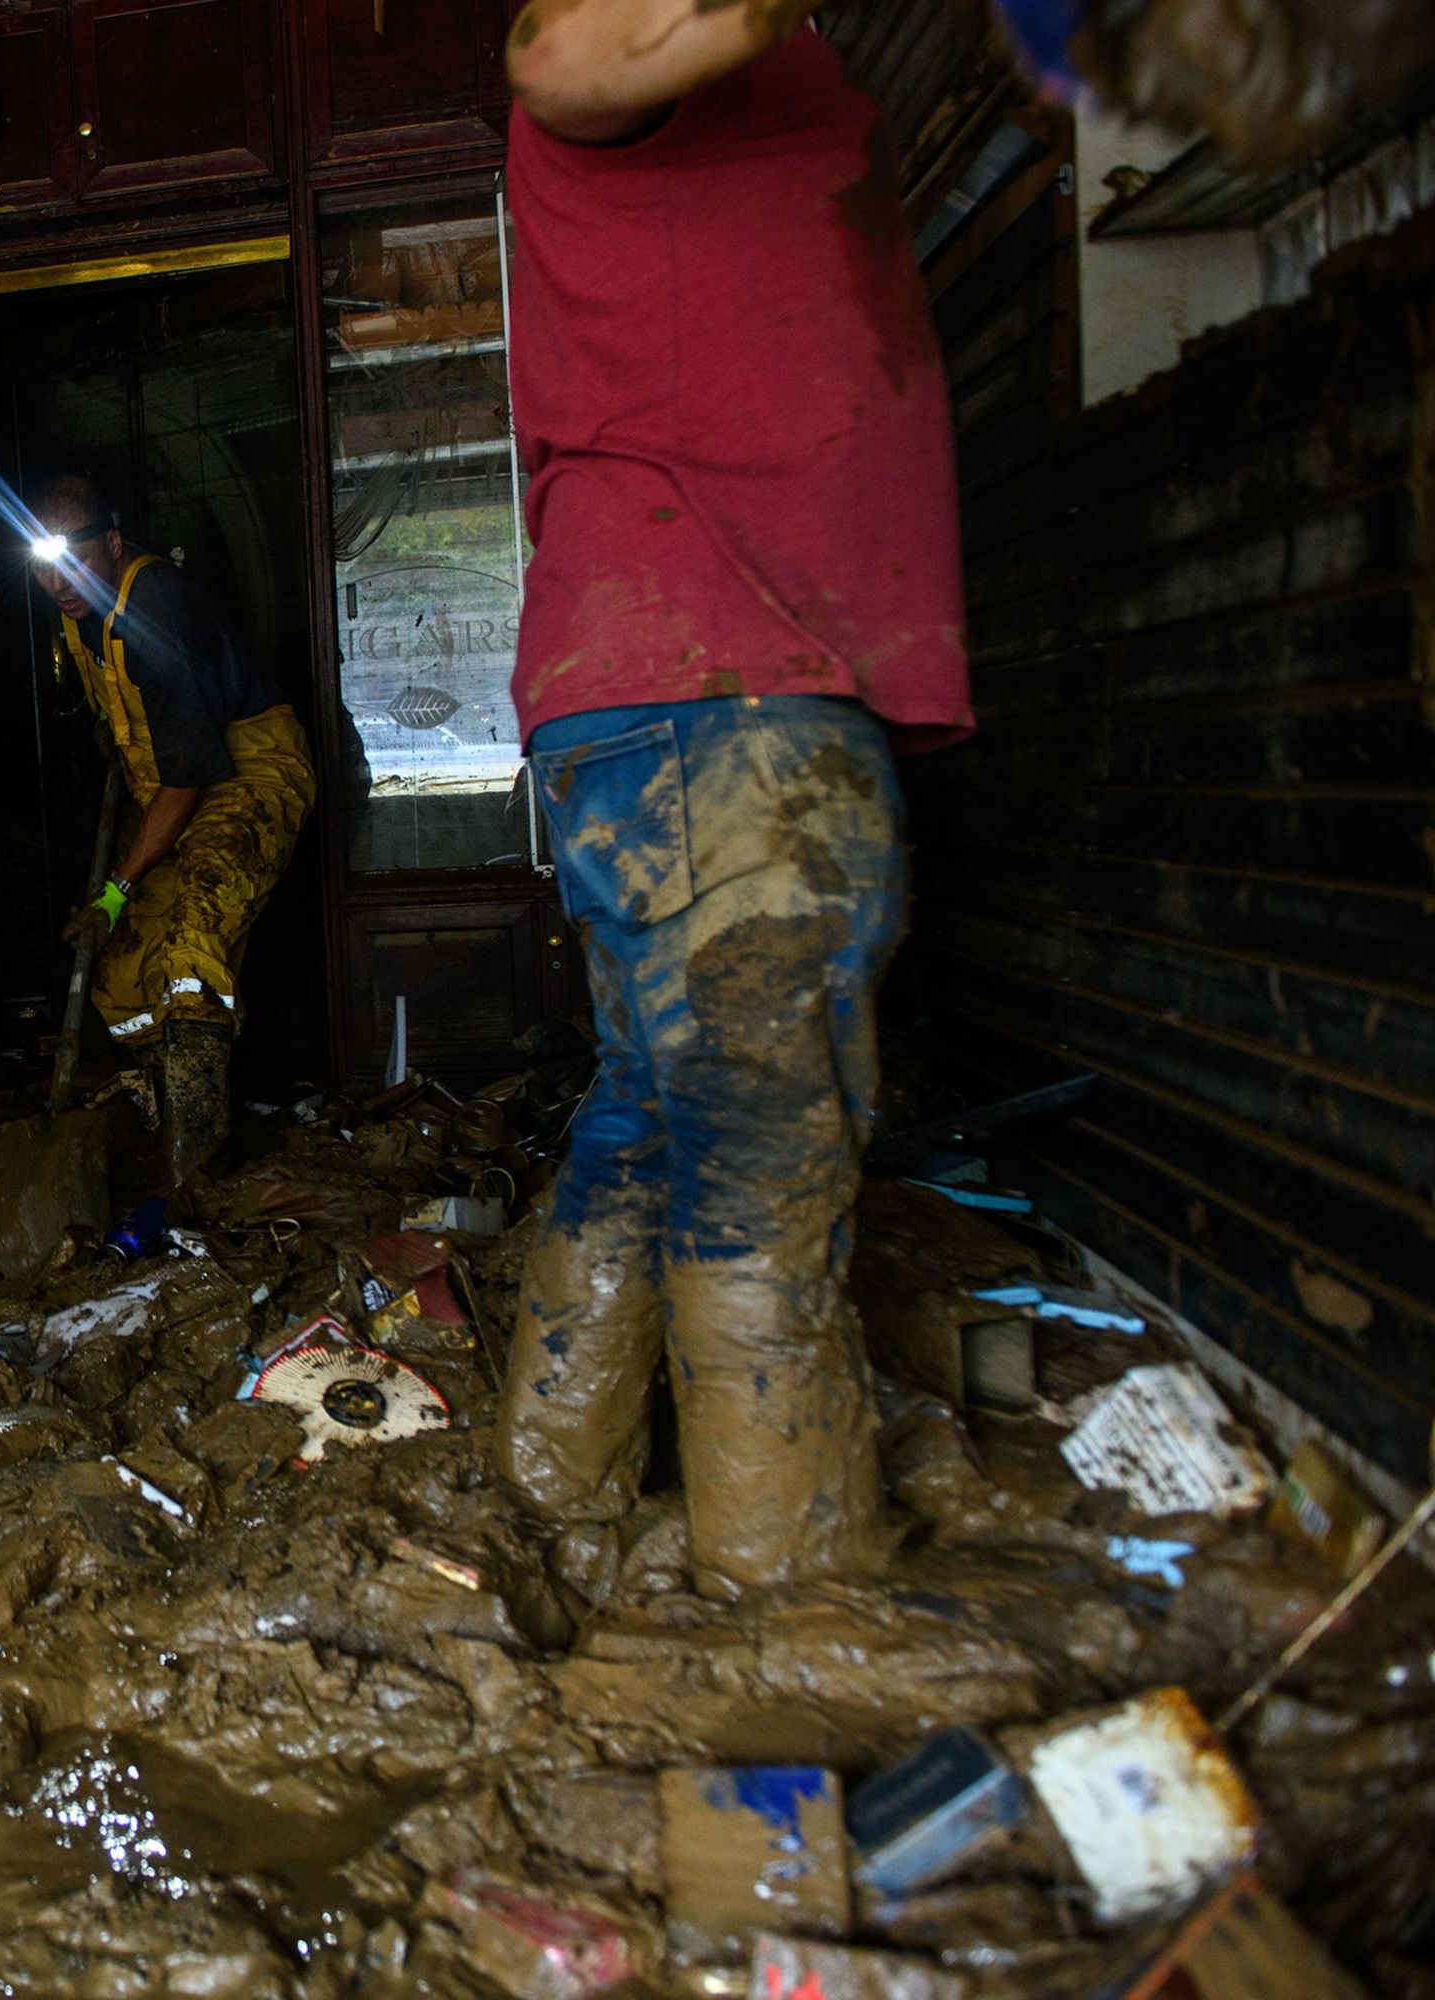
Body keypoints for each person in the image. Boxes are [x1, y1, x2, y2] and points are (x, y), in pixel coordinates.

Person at [489, 0, 973, 1594]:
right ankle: (794, 1610)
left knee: (655, 1116)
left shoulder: (748, 83)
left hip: (663, 684)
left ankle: (547, 1502)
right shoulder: (641, 54)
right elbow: (560, 54)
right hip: (720, 682)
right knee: (767, 1138)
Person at [25, 475, 314, 1195]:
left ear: (115, 544)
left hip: (247, 773)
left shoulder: (155, 610)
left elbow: (190, 779)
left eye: (76, 560)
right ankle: (164, 1115)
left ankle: (199, 1173)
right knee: (120, 971)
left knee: (191, 943)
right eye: (41, 563)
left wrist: (117, 891)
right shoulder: (76, 615)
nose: (58, 582)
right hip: (166, 790)